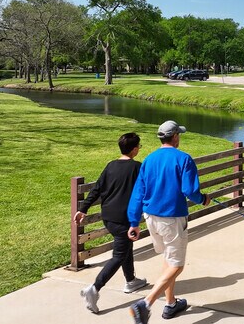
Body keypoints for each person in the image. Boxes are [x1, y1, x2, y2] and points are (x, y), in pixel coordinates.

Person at [127, 120, 210, 324]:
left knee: (168, 257)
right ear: (174, 137)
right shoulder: (183, 159)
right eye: (178, 135)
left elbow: (139, 192)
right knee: (177, 265)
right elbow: (190, 191)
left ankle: (171, 303)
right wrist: (203, 199)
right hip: (171, 218)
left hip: (150, 217)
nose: (179, 138)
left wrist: (133, 221)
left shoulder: (149, 159)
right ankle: (145, 304)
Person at [74, 133, 148, 314]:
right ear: (134, 149)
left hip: (108, 217)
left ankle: (131, 281)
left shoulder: (110, 166)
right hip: (124, 219)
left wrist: (83, 209)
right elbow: (147, 189)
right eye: (139, 146)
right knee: (119, 255)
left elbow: (97, 189)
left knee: (125, 247)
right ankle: (94, 289)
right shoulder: (137, 168)